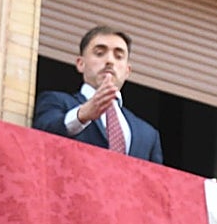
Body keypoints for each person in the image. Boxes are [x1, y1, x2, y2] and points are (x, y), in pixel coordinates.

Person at [32, 25, 163, 164]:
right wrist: (81, 115)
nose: (110, 61)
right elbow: (39, 137)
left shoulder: (148, 134)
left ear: (127, 71)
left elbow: (154, 177)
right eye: (100, 53)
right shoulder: (56, 101)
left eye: (118, 56)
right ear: (81, 63)